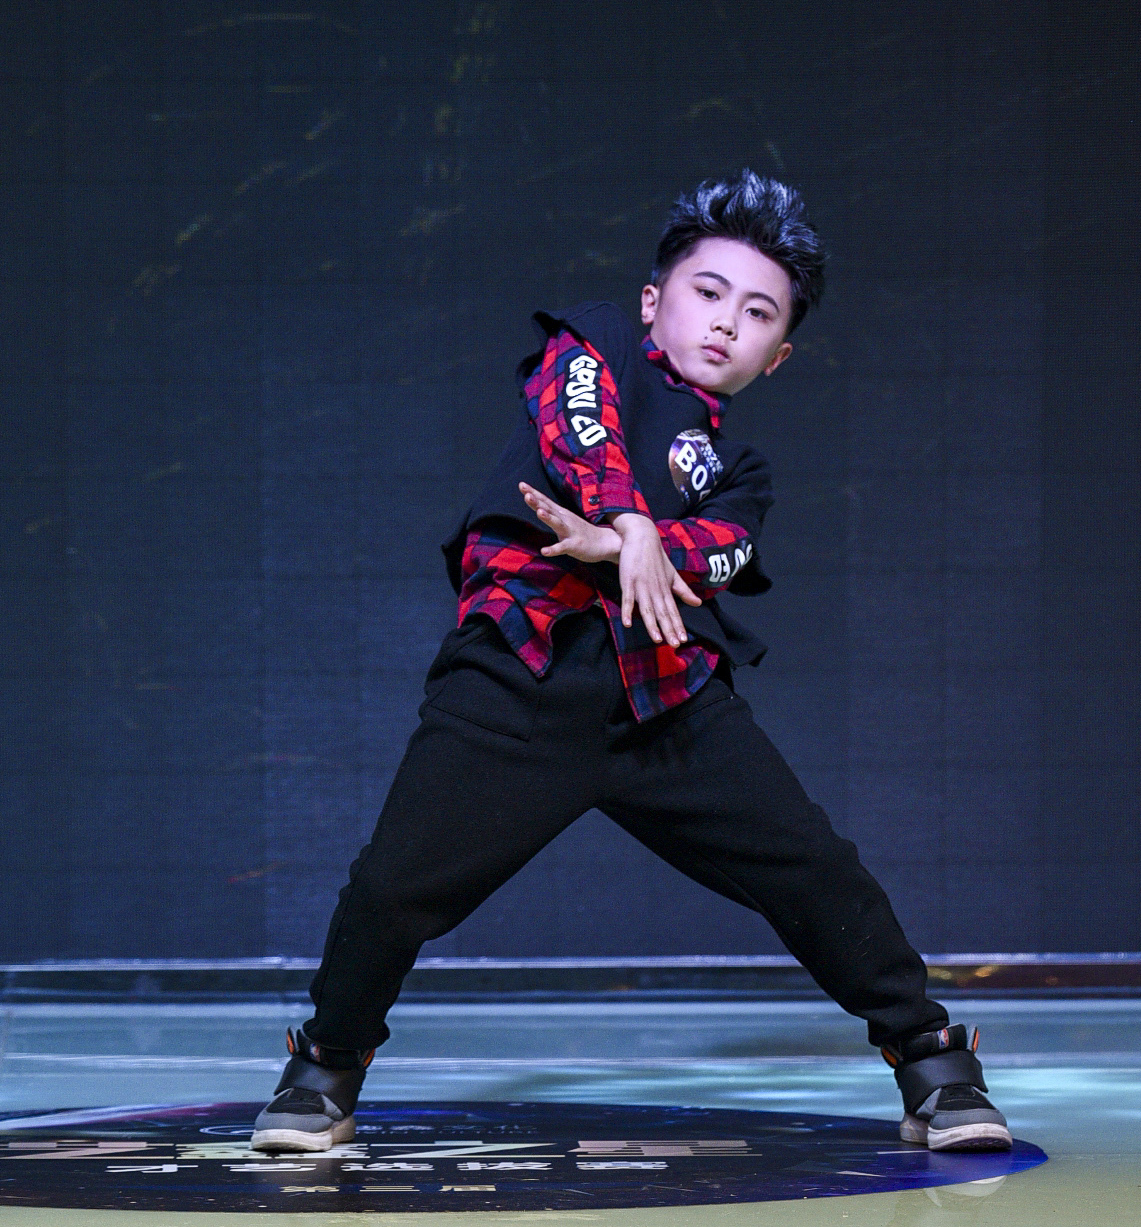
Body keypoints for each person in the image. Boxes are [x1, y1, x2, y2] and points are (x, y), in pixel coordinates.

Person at [252, 170, 1010, 1156]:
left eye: (759, 313)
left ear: (778, 354)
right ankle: (324, 1068)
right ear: (655, 300)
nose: (726, 322)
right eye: (708, 292)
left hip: (667, 700)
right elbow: (576, 424)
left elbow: (720, 553)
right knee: (393, 888)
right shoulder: (597, 339)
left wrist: (633, 543)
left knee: (815, 873)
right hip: (519, 673)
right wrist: (630, 524)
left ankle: (931, 1061)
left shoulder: (739, 472)